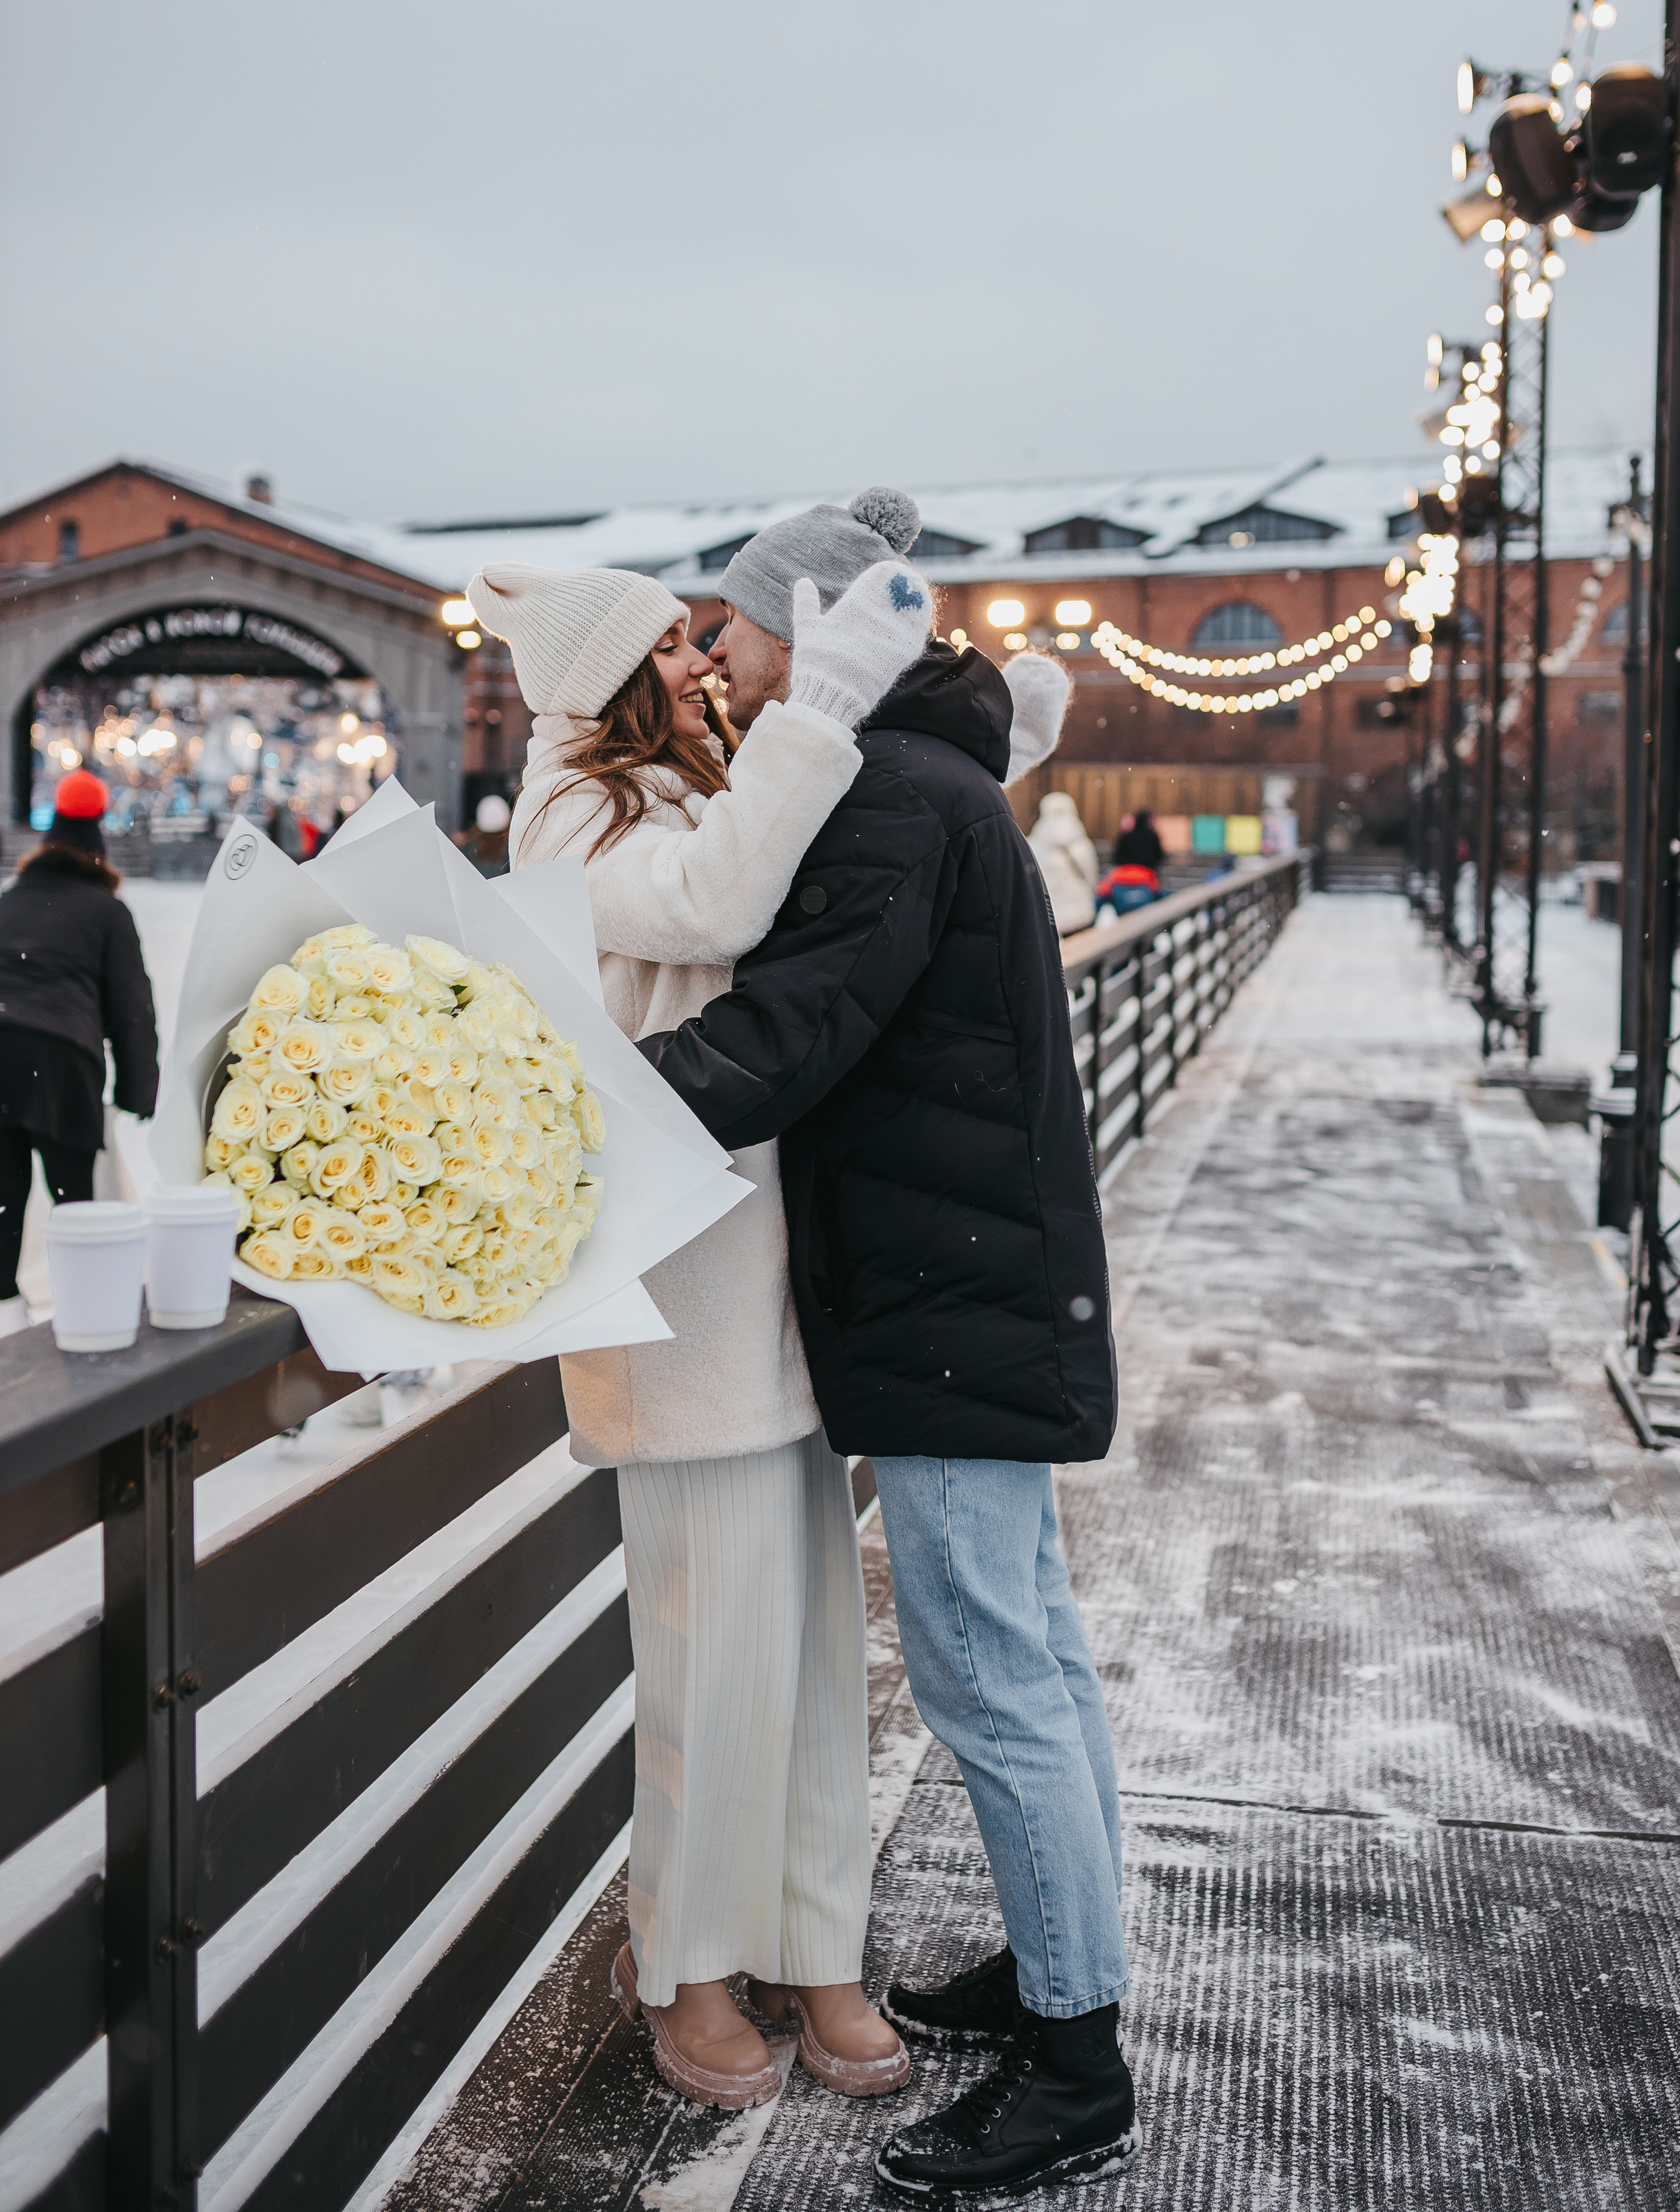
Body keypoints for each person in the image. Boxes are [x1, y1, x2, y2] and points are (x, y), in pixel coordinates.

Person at [637, 496, 1135, 2203]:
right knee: (1035, 1655)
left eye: (729, 624)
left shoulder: (885, 794)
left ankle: (1075, 2064)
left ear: (802, 627)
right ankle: (1062, 1964)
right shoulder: (936, 780)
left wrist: (549, 1102)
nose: (714, 655)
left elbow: (778, 1042)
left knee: (991, 1674)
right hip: (975, 1280)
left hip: (944, 1299)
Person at [469, 501, 935, 2113]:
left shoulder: (691, 786)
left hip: (777, 1305)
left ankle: (812, 1944)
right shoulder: (567, 824)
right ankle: (680, 1961)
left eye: (696, 631)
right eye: (669, 641)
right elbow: (720, 911)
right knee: (707, 1670)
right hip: (677, 1321)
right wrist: (824, 703)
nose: (701, 654)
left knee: (808, 1661)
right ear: (608, 682)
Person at [0, 771, 159, 1338]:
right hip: (62, 1064)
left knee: (3, 1201)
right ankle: (84, 1320)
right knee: (75, 1205)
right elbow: (132, 1011)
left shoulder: (8, 904)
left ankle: (5, 1323)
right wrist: (138, 1093)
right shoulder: (106, 912)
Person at [1028, 789, 1100, 937]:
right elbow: (1092, 879)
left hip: (1048, 917)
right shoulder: (1082, 845)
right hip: (1080, 914)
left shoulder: (1032, 845)